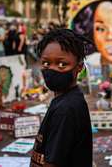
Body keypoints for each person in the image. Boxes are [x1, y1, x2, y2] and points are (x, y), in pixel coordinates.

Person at [30, 29, 93, 167]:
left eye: (62, 64)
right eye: (46, 63)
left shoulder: (65, 110)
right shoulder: (66, 99)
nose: (52, 69)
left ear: (79, 67)